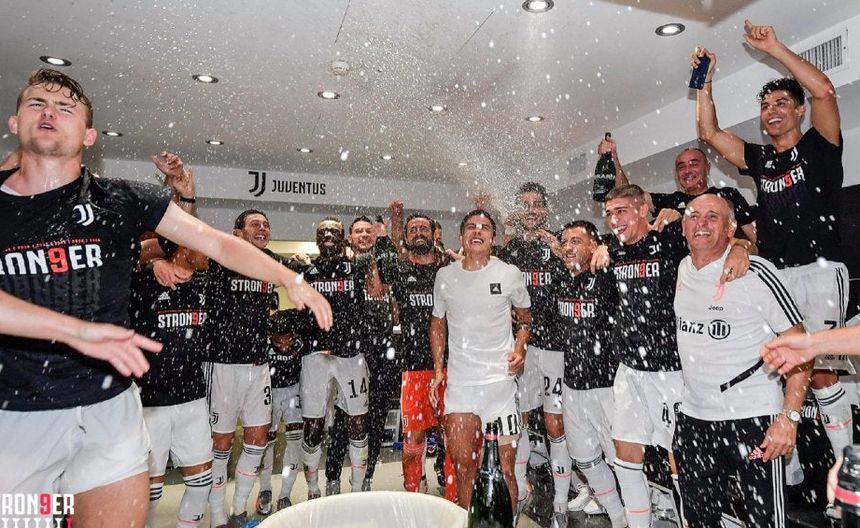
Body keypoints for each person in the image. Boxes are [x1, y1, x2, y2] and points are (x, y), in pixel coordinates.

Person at [0, 68, 331, 528]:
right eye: (37, 103)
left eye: (66, 107)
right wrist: (74, 331)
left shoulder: (120, 199)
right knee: (34, 518)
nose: (50, 112)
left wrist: (288, 278)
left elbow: (217, 243)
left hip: (108, 410)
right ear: (15, 122)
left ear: (90, 135)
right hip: (18, 417)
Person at [694, 20, 851, 498]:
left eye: (781, 103)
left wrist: (774, 48)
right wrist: (704, 82)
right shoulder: (762, 161)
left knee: (819, 369)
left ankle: (847, 471)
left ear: (799, 111)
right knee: (780, 364)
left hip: (820, 270)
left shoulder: (819, 147)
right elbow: (709, 132)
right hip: (779, 276)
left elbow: (824, 90)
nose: (772, 111)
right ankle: (793, 465)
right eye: (765, 106)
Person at [599, 184, 752, 528]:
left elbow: (717, 243)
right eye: (609, 214)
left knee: (679, 458)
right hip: (629, 369)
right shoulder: (612, 250)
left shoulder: (668, 239)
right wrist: (600, 249)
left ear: (643, 209)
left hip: (670, 369)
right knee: (626, 453)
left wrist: (741, 247)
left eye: (621, 211)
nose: (614, 219)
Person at [673, 194, 810, 526]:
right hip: (694, 419)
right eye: (693, 215)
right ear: (683, 227)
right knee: (698, 519)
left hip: (752, 418)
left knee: (765, 520)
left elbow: (802, 349)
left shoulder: (757, 274)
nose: (701, 223)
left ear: (730, 228)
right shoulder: (682, 268)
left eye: (712, 217)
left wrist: (789, 418)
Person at [206, 208, 306, 528]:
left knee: (257, 440)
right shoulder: (222, 255)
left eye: (266, 224)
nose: (262, 228)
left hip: (258, 365)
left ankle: (239, 511)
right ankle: (218, 517)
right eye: (254, 224)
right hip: (223, 364)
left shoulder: (270, 262)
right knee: (220, 444)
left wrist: (302, 264)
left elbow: (298, 270)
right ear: (238, 232)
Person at [429, 209, 531, 513]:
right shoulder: (445, 276)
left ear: (493, 237)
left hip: (500, 386)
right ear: (461, 236)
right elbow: (437, 323)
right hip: (461, 388)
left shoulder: (509, 273)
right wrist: (438, 370)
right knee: (465, 469)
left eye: (484, 227)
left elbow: (525, 320)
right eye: (471, 227)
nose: (477, 231)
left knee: (506, 470)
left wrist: (520, 349)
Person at [496, 182, 574, 526]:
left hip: (555, 346)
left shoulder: (559, 242)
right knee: (521, 420)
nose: (531, 210)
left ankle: (560, 503)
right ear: (518, 209)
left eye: (537, 204)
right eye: (524, 204)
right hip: (521, 346)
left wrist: (562, 254)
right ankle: (521, 491)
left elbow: (581, 278)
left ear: (546, 209)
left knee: (555, 425)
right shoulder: (510, 250)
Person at [550, 221, 627, 528]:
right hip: (572, 385)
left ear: (593, 246)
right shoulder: (562, 279)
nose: (568, 247)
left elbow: (632, 245)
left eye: (576, 241)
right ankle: (618, 516)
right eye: (565, 242)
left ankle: (637, 515)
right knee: (584, 458)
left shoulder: (607, 274)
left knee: (621, 460)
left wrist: (610, 247)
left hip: (607, 384)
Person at [131, 253, 212, 528]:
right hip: (150, 402)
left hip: (193, 397)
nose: (206, 251)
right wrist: (152, 262)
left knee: (201, 485)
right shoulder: (144, 281)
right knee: (149, 494)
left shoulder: (206, 282)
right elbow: (120, 249)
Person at [298, 217, 374, 499]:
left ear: (344, 239)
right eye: (323, 232)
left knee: (358, 421)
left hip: (350, 354)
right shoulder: (305, 269)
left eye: (334, 231)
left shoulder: (357, 266)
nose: (328, 235)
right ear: (316, 239)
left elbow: (379, 257)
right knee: (313, 425)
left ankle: (356, 489)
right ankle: (313, 490)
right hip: (315, 353)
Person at [386, 205, 456, 497]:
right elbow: (391, 252)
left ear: (433, 233)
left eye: (423, 229)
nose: (418, 233)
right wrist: (396, 220)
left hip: (449, 365)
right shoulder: (401, 270)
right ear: (406, 236)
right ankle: (413, 491)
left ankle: (454, 495)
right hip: (413, 366)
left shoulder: (448, 271)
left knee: (449, 434)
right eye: (412, 230)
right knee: (413, 436)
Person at [324, 215, 397, 493]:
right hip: (351, 353)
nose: (364, 235)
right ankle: (333, 478)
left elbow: (393, 299)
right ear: (350, 238)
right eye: (358, 231)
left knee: (376, 418)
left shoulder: (385, 266)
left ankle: (367, 477)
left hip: (382, 353)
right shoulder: (341, 267)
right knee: (345, 418)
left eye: (368, 231)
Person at [608, 137, 757, 242]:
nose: (687, 171)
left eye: (694, 164)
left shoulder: (727, 195)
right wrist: (614, 157)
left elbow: (754, 236)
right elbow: (626, 196)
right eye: (681, 167)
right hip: (683, 273)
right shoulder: (671, 201)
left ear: (707, 168)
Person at [256, 309, 306, 515]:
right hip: (270, 392)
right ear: (270, 335)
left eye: (288, 340)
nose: (284, 346)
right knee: (266, 441)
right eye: (279, 342)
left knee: (295, 441)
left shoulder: (300, 342)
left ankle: (285, 494)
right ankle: (265, 490)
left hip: (294, 391)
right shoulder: (262, 342)